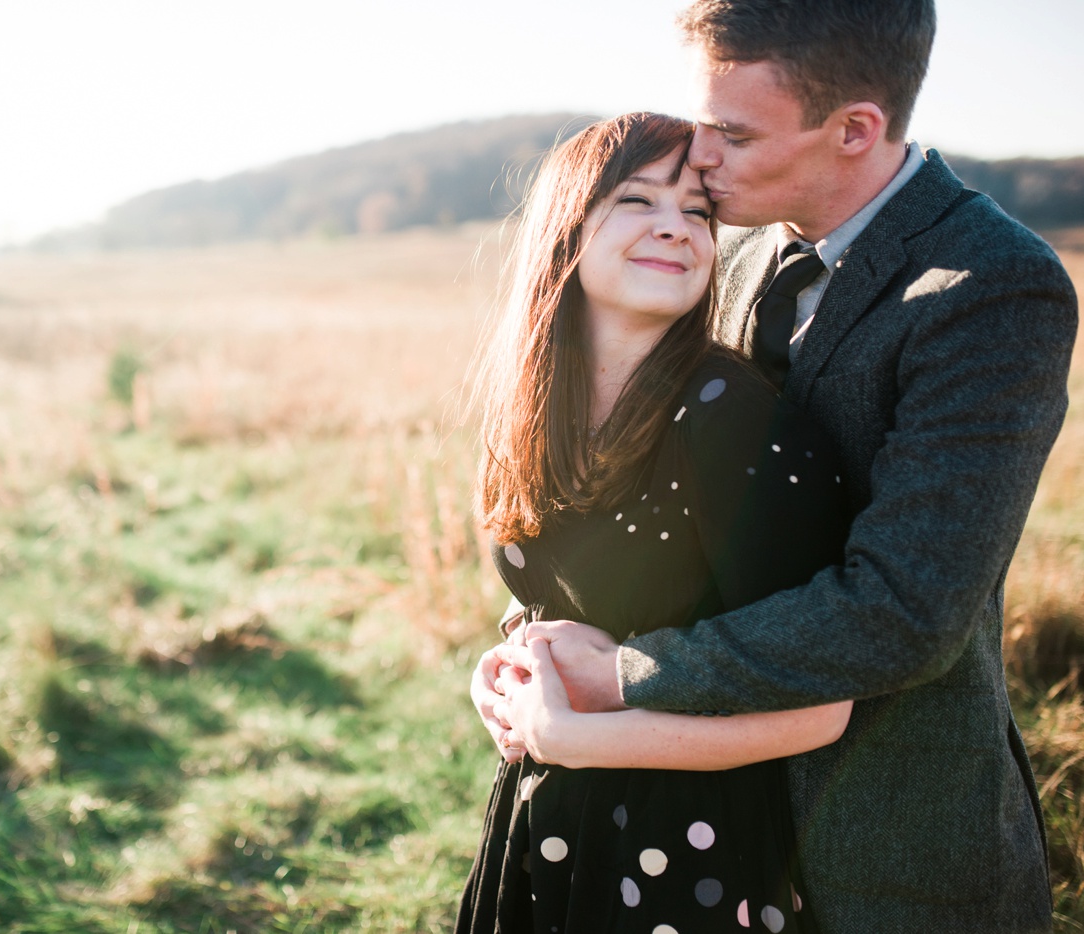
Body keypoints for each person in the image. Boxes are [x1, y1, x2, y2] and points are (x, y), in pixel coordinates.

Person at [479, 1, 1079, 931]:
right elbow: (652, 496)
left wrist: (622, 678)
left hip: (879, 835)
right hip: (679, 813)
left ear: (854, 130)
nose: (699, 158)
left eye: (731, 132)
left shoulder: (991, 289)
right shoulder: (738, 244)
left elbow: (903, 612)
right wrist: (535, 647)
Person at [456, 111, 854, 934]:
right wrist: (501, 675)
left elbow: (821, 708)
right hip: (547, 823)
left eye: (699, 211)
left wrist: (574, 737)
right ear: (566, 226)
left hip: (688, 858)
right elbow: (554, 598)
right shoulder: (532, 406)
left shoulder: (729, 415)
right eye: (638, 200)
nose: (676, 226)